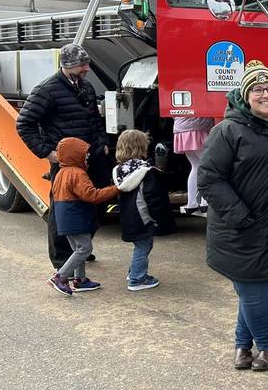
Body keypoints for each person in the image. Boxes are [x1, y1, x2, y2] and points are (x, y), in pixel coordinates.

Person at [197, 60, 268, 372]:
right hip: (242, 228)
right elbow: (208, 178)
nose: (266, 94)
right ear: (245, 95)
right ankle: (266, 346)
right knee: (254, 291)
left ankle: (241, 345)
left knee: (251, 289)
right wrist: (241, 215)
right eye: (258, 89)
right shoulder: (228, 131)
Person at [16, 43, 111, 269]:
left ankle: (81, 249)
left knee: (93, 204)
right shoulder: (46, 90)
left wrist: (103, 144)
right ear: (68, 66)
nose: (87, 68)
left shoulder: (85, 87)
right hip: (67, 163)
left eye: (87, 63)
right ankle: (61, 260)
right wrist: (47, 153)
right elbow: (24, 124)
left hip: (92, 157)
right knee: (63, 210)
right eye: (82, 65)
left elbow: (94, 121)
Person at [48, 137, 120, 296]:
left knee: (77, 249)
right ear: (75, 155)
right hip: (76, 218)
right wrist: (116, 189)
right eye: (84, 153)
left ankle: (80, 279)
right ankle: (60, 277)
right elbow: (92, 195)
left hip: (64, 220)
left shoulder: (61, 172)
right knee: (85, 249)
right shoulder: (78, 174)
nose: (87, 156)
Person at [112, 129, 174, 291]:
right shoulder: (146, 171)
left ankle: (134, 271)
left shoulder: (119, 170)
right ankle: (137, 279)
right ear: (141, 147)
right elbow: (153, 198)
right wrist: (159, 218)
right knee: (143, 246)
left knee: (140, 244)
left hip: (128, 216)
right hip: (143, 216)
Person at [173, 116, 214, 216]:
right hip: (198, 127)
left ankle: (192, 203)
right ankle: (205, 201)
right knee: (207, 165)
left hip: (181, 128)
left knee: (195, 166)